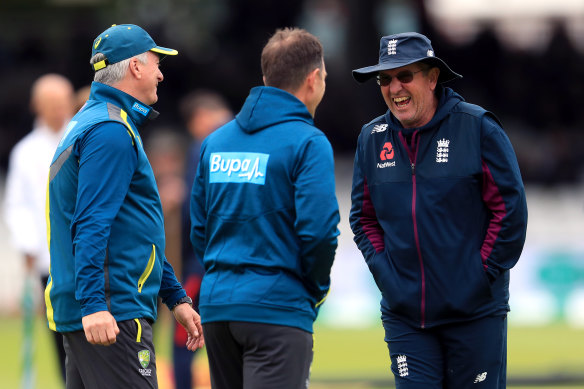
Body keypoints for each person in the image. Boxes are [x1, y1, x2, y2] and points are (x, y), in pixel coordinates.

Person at [349, 32, 528, 388]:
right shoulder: (371, 138)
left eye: (405, 75)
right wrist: (388, 276)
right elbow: (363, 218)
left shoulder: (478, 127)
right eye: (385, 79)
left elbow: (509, 212)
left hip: (474, 313)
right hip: (405, 316)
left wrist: (478, 277)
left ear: (432, 78)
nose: (394, 87)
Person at [44, 24, 204, 389]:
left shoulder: (94, 121)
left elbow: (131, 229)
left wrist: (175, 297)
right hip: (112, 313)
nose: (160, 73)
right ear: (134, 67)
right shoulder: (109, 130)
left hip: (102, 307)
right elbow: (91, 223)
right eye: (155, 63)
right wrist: (94, 305)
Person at [190, 27, 340, 389]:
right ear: (314, 78)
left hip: (218, 308)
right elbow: (319, 231)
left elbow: (199, 229)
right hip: (278, 307)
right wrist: (313, 288)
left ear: (265, 78)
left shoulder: (216, 142)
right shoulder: (308, 141)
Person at [4, 73, 75, 383]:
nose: (58, 111)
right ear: (37, 106)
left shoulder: (85, 136)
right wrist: (28, 245)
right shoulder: (26, 152)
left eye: (62, 104)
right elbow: (17, 205)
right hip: (52, 261)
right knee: (61, 337)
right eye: (50, 105)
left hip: (94, 257)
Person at [173, 90, 232, 389]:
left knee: (185, 336)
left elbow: (193, 210)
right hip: (238, 265)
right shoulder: (246, 141)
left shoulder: (204, 145)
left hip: (201, 262)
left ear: (201, 118)